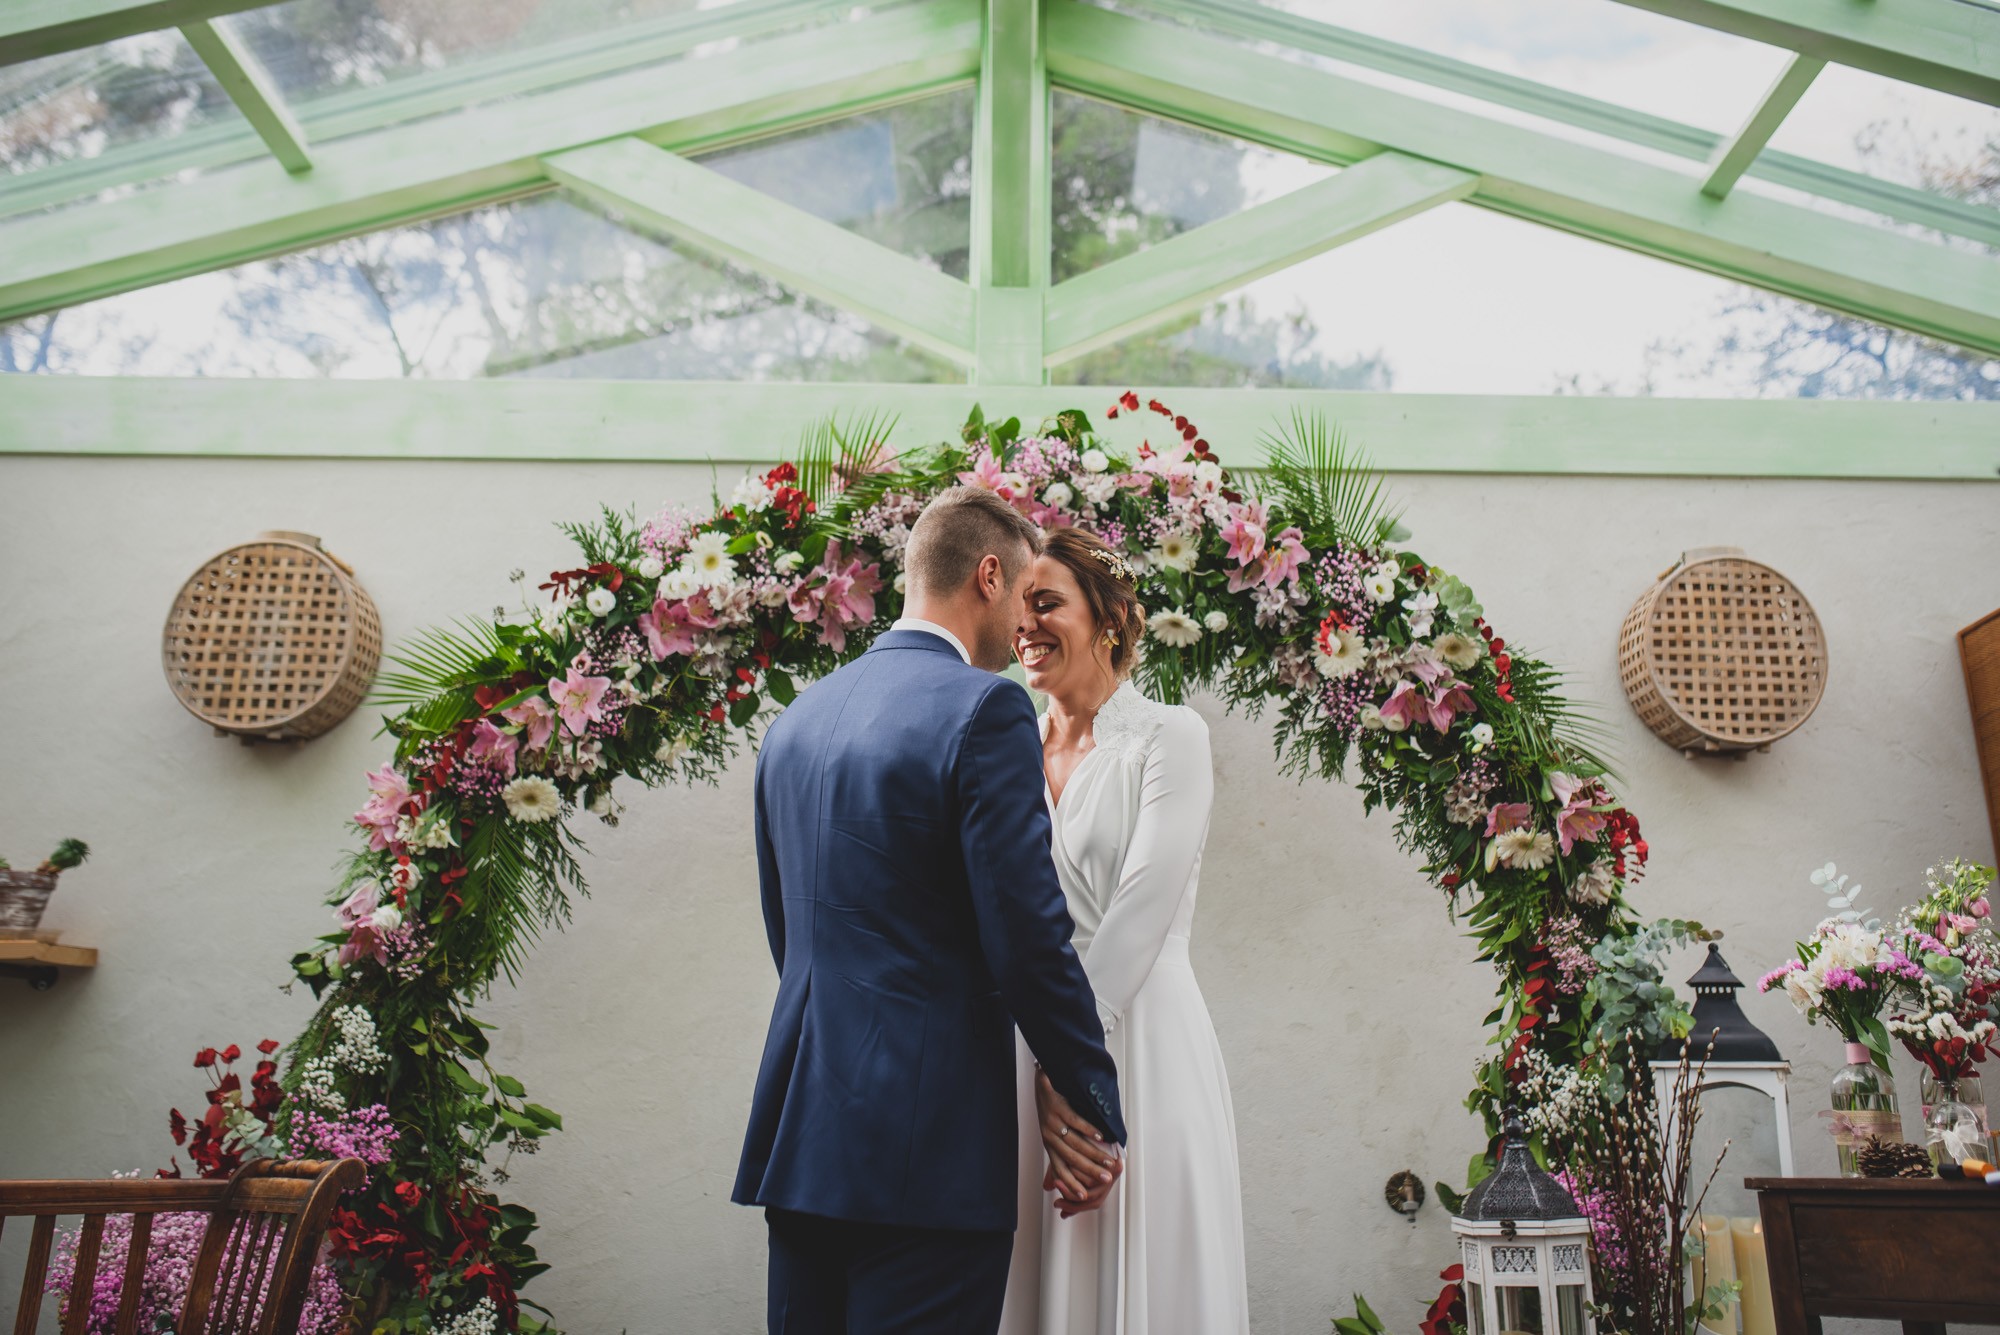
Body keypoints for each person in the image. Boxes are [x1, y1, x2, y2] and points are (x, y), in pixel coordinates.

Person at [734, 487, 1128, 1335]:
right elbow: (1027, 935)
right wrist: (1093, 1096)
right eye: (1025, 596)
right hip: (928, 1148)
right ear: (990, 575)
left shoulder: (795, 720)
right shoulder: (985, 710)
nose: (1025, 628)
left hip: (804, 1137)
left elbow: (789, 931)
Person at [1000, 527, 1250, 1335]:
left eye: (1048, 603)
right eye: (1018, 606)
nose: (1026, 624)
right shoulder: (1008, 749)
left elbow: (1142, 906)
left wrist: (1068, 1068)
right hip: (1026, 1056)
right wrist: (1041, 1065)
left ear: (1107, 619)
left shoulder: (1169, 737)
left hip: (1136, 1035)